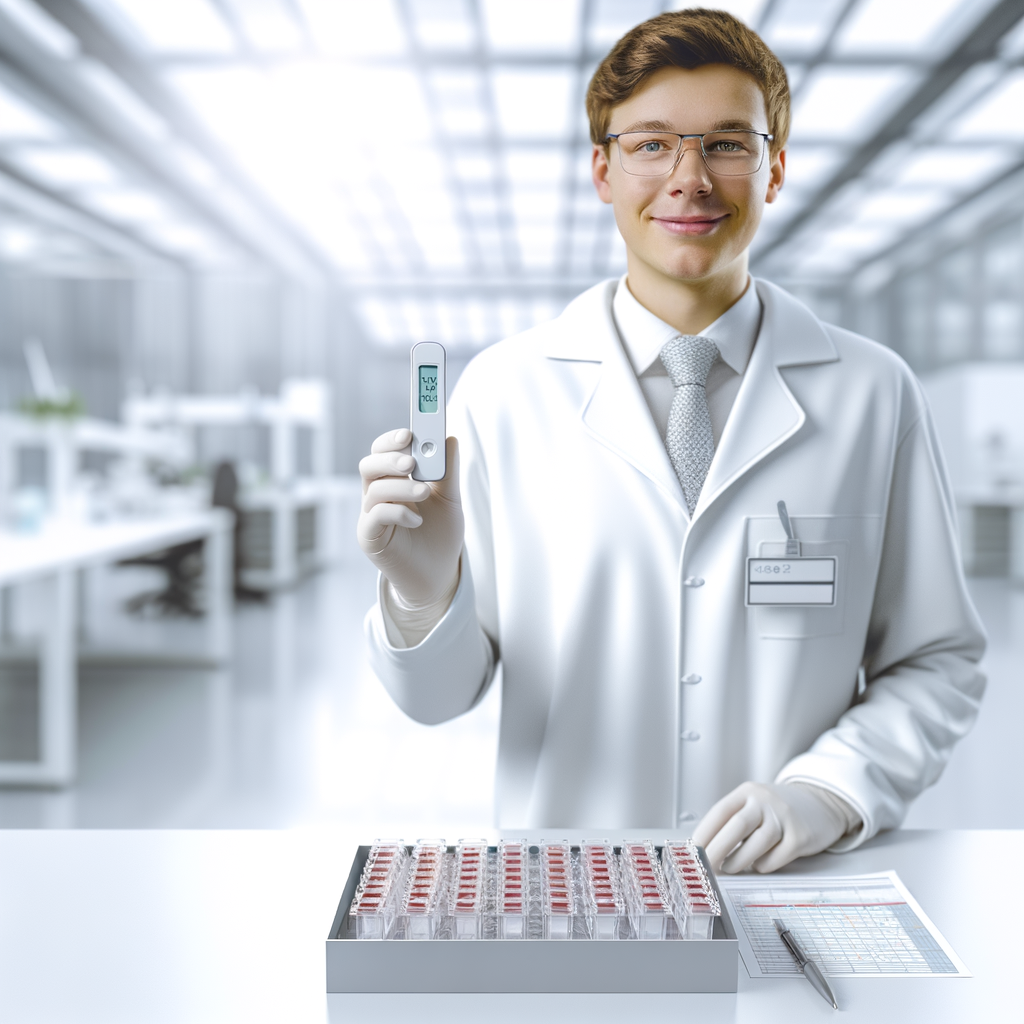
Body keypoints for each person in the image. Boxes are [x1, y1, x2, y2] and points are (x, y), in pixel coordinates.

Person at [357, 8, 986, 874]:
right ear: (602, 171)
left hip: (792, 885)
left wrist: (831, 791)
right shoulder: (505, 392)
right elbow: (438, 700)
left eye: (727, 143)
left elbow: (937, 657)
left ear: (774, 171)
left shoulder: (873, 393)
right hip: (570, 889)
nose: (689, 179)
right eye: (652, 145)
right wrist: (424, 595)